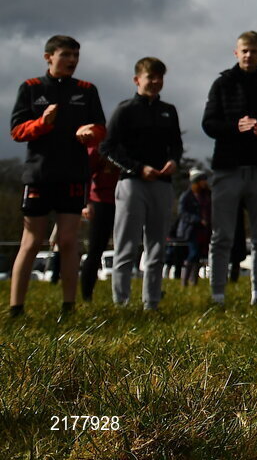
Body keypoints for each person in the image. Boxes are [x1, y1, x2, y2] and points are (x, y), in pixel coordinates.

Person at [9, 35, 106, 319]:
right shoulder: (31, 87)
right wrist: (42, 123)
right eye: (66, 55)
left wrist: (90, 133)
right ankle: (16, 309)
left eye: (76, 56)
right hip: (39, 175)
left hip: (73, 174)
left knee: (68, 240)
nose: (72, 60)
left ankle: (68, 307)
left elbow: (101, 128)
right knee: (31, 241)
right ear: (48, 57)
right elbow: (16, 131)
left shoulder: (87, 90)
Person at [202, 30, 257, 308]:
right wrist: (235, 127)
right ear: (236, 52)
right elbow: (208, 124)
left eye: (253, 51)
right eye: (244, 51)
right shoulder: (222, 84)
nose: (248, 55)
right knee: (221, 236)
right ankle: (217, 297)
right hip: (227, 167)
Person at [101, 57, 182, 309]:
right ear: (137, 79)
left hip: (162, 184)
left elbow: (176, 145)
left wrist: (173, 161)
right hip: (132, 184)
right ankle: (121, 303)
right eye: (150, 77)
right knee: (126, 245)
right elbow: (107, 147)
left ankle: (152, 302)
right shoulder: (125, 110)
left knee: (157, 247)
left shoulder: (169, 110)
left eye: (160, 78)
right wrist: (137, 168)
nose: (156, 82)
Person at [80, 144, 120, 301]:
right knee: (96, 249)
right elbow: (85, 174)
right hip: (100, 201)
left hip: (123, 199)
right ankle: (87, 295)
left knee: (124, 248)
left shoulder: (124, 144)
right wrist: (87, 203)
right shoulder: (97, 147)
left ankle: (121, 294)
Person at [176, 169, 211, 286]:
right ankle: (185, 281)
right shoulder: (187, 196)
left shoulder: (207, 195)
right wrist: (197, 219)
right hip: (191, 230)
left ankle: (193, 281)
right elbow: (182, 213)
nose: (204, 182)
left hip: (203, 231)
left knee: (198, 255)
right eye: (202, 180)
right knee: (193, 253)